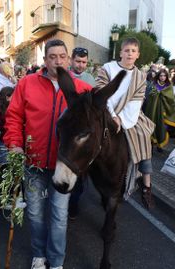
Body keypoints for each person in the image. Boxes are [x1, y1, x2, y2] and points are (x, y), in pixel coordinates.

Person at [3, 39, 91, 269]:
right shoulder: (27, 83)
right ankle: (39, 255)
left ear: (69, 59)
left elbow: (99, 114)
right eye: (52, 56)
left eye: (62, 56)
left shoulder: (81, 89)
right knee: (34, 213)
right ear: (45, 60)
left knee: (59, 215)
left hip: (64, 166)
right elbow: (14, 117)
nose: (58, 60)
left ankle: (56, 261)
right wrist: (15, 144)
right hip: (33, 161)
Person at [96, 37, 155, 209]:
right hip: (105, 112)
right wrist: (112, 115)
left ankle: (147, 186)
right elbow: (101, 92)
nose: (130, 54)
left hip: (130, 115)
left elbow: (136, 102)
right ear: (120, 52)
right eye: (127, 50)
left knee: (144, 137)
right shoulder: (108, 68)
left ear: (138, 55)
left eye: (133, 51)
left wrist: (121, 119)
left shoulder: (140, 76)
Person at [67, 47, 96, 219]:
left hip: (83, 133)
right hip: (68, 131)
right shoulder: (64, 76)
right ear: (71, 60)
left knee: (79, 175)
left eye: (84, 62)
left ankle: (73, 205)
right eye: (78, 61)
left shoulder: (90, 79)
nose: (80, 65)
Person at [144, 68, 175, 151]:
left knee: (162, 128)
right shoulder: (153, 85)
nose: (162, 77)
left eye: (164, 76)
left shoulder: (169, 86)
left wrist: (162, 95)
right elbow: (150, 97)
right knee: (153, 126)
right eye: (161, 75)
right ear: (158, 76)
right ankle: (151, 146)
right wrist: (156, 94)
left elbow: (171, 99)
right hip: (153, 111)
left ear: (167, 77)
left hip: (164, 112)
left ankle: (160, 145)